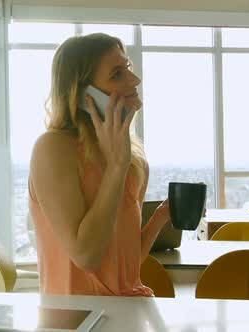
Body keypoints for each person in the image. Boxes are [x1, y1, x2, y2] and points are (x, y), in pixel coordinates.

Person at [28, 33, 172, 296]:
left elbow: (125, 261)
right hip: (76, 319)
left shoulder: (135, 161)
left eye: (127, 68)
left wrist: (161, 217)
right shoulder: (53, 149)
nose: (135, 80)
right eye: (117, 74)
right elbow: (87, 256)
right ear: (85, 96)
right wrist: (117, 167)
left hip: (129, 311)